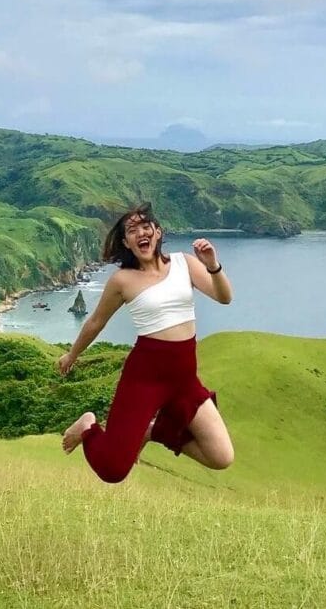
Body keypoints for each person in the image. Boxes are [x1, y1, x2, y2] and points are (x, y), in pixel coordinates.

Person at [57, 202, 235, 483]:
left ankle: (152, 431)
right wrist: (72, 355)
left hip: (184, 381)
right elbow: (95, 322)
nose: (140, 232)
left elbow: (224, 297)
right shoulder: (122, 280)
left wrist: (213, 265)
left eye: (145, 226)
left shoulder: (184, 263)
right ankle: (88, 425)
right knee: (113, 471)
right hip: (144, 379)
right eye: (132, 230)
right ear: (126, 243)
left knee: (221, 457)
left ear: (158, 232)